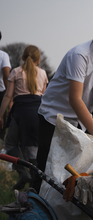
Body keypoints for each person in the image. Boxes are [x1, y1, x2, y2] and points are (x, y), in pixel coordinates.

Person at [33, 8, 93, 193]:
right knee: (46, 170)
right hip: (53, 118)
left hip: (78, 120)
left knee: (72, 171)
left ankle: (64, 207)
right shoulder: (80, 55)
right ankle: (34, 206)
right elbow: (75, 99)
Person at [0, 45, 48, 190]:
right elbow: (45, 97)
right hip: (37, 113)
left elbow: (8, 95)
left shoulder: (16, 72)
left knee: (10, 144)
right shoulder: (43, 73)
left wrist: (1, 115)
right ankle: (35, 181)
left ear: (22, 57)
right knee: (33, 148)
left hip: (20, 112)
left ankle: (23, 172)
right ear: (38, 60)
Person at [0, 31, 11, 149]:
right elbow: (6, 76)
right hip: (1, 93)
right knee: (1, 121)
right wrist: (10, 97)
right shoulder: (3, 55)